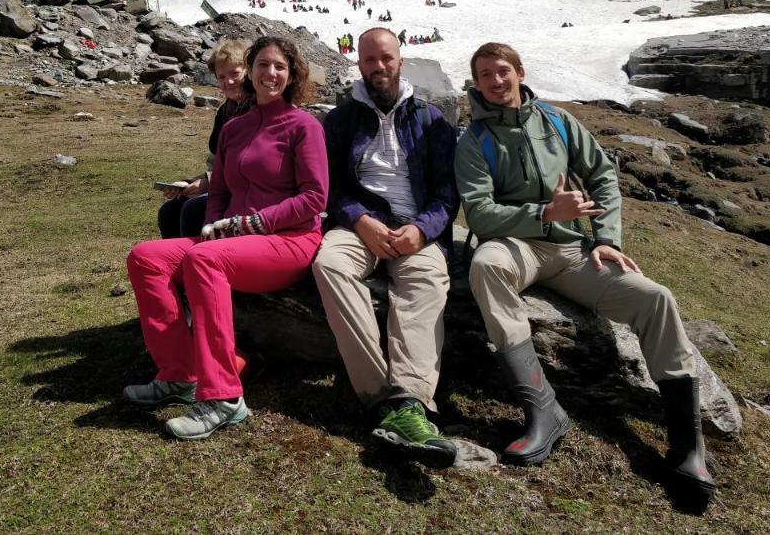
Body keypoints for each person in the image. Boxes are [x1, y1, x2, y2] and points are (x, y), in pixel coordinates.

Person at [454, 42, 715, 501]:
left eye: (502, 72)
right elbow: (478, 214)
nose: (495, 83)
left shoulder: (556, 122)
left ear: (519, 71)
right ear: (476, 84)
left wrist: (607, 239)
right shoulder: (474, 141)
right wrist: (543, 214)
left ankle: (687, 445)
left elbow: (601, 175)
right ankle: (543, 411)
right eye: (485, 76)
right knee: (485, 264)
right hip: (517, 247)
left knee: (655, 298)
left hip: (575, 252)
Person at [125, 37, 329, 440]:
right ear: (250, 70)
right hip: (233, 241)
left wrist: (249, 225)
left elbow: (314, 198)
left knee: (204, 261)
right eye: (263, 65)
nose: (271, 73)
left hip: (289, 241)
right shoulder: (234, 128)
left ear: (291, 77)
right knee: (146, 256)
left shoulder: (305, 126)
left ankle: (223, 398)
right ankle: (179, 373)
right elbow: (219, 189)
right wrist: (212, 228)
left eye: (280, 67)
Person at [312, 29, 460, 468]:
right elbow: (331, 186)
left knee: (427, 281)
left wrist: (423, 229)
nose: (378, 67)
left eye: (386, 58)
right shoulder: (340, 120)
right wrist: (360, 219)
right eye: (369, 60)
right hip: (360, 226)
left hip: (416, 230)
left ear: (401, 60)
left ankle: (412, 402)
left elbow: (447, 193)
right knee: (330, 265)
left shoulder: (431, 119)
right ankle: (380, 399)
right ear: (359, 64)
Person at [156, 40, 253, 240]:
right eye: (222, 77)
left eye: (235, 74)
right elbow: (217, 162)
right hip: (223, 185)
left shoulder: (257, 108)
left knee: (193, 209)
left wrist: (207, 183)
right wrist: (188, 183)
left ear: (248, 71)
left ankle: (197, 263)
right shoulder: (226, 111)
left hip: (250, 192)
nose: (229, 82)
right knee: (169, 211)